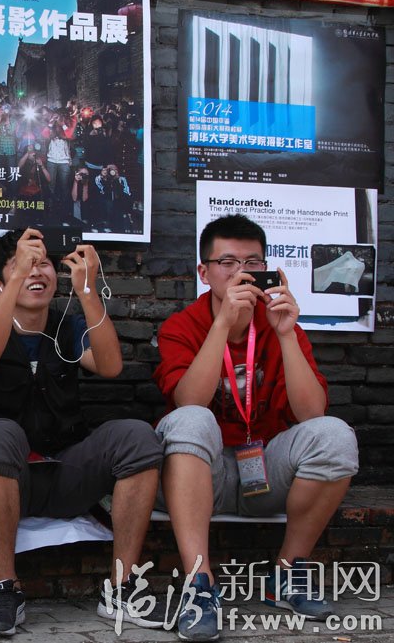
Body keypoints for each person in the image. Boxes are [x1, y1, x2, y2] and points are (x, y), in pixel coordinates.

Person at [153, 215, 359, 641]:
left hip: (266, 470)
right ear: (204, 272)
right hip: (201, 476)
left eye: (252, 263)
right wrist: (222, 325)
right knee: (191, 419)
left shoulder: (278, 322)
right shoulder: (181, 326)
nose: (240, 273)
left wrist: (286, 335)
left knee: (336, 435)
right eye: (227, 262)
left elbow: (312, 413)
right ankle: (199, 585)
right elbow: (188, 400)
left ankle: (287, 574)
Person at [0, 228, 164, 636]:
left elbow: (110, 367)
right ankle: (6, 589)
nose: (37, 272)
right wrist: (18, 277)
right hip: (6, 478)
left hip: (65, 470)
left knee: (138, 437)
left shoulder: (66, 326)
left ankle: (121, 588)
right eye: (22, 265)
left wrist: (87, 291)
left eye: (44, 264)